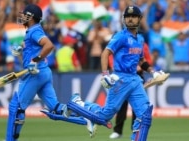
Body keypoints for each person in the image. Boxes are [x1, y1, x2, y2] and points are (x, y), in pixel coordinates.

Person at [66, 5, 166, 141]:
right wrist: (105, 74)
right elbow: (105, 53)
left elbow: (141, 60)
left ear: (139, 19)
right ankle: (77, 103)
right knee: (104, 116)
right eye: (128, 17)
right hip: (121, 79)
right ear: (124, 19)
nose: (130, 19)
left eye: (133, 17)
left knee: (145, 117)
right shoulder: (121, 36)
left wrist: (153, 72)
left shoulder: (139, 40)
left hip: (135, 80)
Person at [5, 4, 94, 141]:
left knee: (16, 107)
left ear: (31, 17)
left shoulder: (34, 31)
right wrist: (21, 48)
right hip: (44, 72)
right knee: (57, 108)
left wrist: (35, 60)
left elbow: (49, 45)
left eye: (25, 14)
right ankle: (85, 117)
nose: (21, 16)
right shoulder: (33, 31)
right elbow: (32, 45)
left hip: (35, 74)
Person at [109, 43, 152, 139]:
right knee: (121, 105)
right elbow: (113, 59)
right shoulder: (122, 43)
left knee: (137, 106)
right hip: (123, 78)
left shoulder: (142, 45)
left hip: (138, 76)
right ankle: (118, 131)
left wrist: (140, 67)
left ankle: (135, 131)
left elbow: (147, 59)